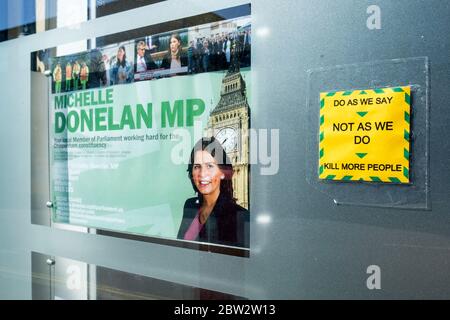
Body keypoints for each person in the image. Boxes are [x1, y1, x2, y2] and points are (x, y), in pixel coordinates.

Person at [177, 137, 249, 248]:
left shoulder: (239, 216)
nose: (202, 173)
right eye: (197, 167)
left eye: (209, 166)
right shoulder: (190, 206)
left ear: (223, 172)